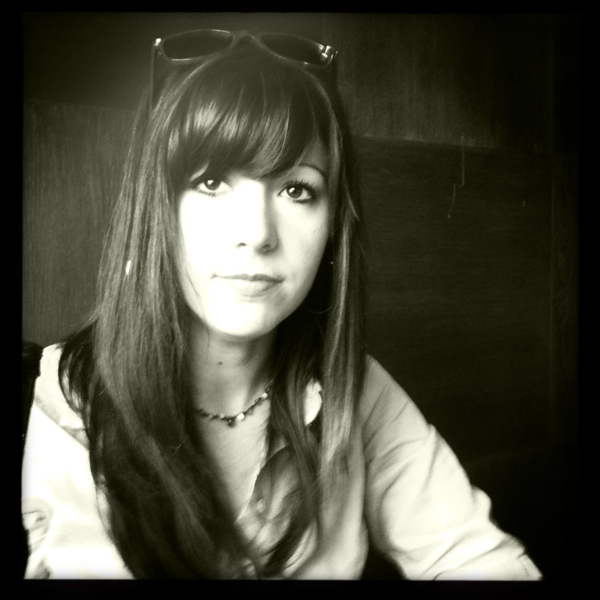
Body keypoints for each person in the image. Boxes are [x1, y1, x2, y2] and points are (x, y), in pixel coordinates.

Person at [22, 29, 542, 580]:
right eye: (212, 181)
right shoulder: (75, 392)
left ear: (332, 226)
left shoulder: (355, 390)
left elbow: (477, 559)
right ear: (158, 211)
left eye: (297, 190)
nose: (257, 233)